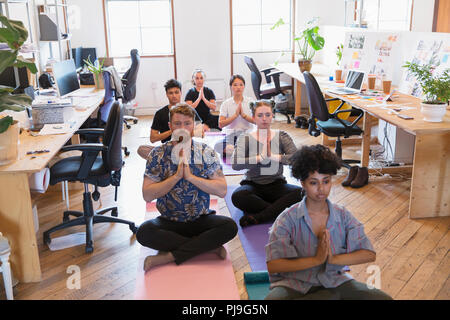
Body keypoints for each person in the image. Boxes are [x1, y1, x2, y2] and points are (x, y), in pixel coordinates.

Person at [264, 144, 392, 300]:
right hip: (294, 284)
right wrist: (316, 260)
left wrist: (333, 259)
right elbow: (274, 265)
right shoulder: (287, 218)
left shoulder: (343, 215)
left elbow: (368, 254)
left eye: (326, 181)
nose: (321, 189)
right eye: (313, 182)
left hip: (334, 282)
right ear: (302, 183)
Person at [136, 103, 238, 271]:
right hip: (169, 221)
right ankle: (207, 247)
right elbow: (147, 195)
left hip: (200, 220)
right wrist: (176, 177)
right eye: (177, 124)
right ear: (170, 126)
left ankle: (169, 256)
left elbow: (222, 190)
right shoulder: (157, 154)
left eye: (187, 123)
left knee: (229, 227)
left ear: (193, 126)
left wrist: (191, 177)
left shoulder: (206, 151)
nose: (182, 128)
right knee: (144, 232)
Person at [231, 100, 303, 227]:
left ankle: (260, 216)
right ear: (253, 117)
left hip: (277, 185)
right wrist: (260, 158)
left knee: (302, 193)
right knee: (238, 196)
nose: (264, 119)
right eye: (260, 115)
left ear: (273, 116)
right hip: (252, 186)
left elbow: (297, 158)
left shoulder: (281, 136)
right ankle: (279, 211)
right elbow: (235, 164)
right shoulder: (245, 138)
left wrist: (273, 157)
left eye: (267, 115)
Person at [137, 79, 202, 159]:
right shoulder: (160, 113)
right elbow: (153, 138)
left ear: (181, 93)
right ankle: (168, 160)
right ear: (167, 94)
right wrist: (172, 130)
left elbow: (201, 131)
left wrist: (185, 131)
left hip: (187, 148)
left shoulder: (190, 110)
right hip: (167, 149)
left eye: (176, 92)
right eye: (171, 93)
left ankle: (170, 162)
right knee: (142, 149)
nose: (174, 95)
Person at [214, 74, 255, 160]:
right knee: (217, 146)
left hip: (247, 134)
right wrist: (235, 116)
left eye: (241, 84)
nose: (238, 87)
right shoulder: (226, 103)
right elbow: (220, 124)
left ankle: (238, 151)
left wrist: (244, 116)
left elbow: (257, 121)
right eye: (235, 85)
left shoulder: (251, 102)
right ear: (231, 87)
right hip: (231, 135)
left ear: (244, 86)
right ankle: (242, 152)